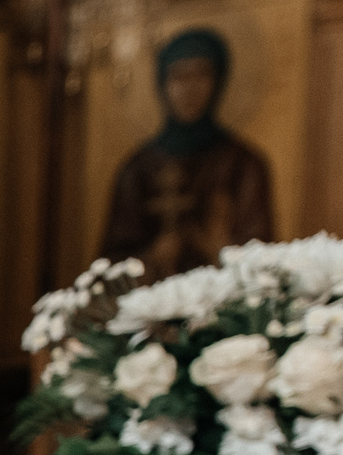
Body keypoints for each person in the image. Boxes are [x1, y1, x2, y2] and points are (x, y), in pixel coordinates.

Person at [98, 27, 276, 282]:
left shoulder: (243, 164)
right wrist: (151, 257)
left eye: (201, 75)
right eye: (179, 77)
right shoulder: (137, 169)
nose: (190, 89)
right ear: (163, 84)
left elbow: (263, 257)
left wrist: (219, 249)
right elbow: (110, 265)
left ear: (219, 81)